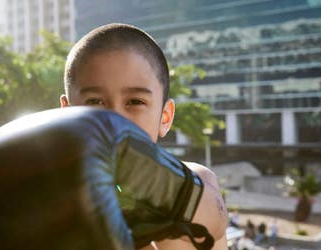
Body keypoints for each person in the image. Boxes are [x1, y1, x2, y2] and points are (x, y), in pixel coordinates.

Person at [60, 23, 228, 250]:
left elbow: (211, 216)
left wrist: (154, 189)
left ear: (165, 117)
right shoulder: (49, 196)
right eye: (95, 102)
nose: (115, 120)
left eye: (135, 102)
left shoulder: (197, 180)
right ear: (66, 113)